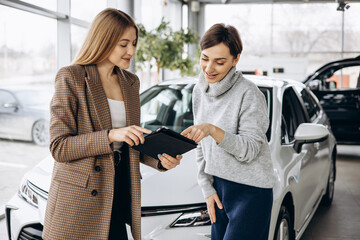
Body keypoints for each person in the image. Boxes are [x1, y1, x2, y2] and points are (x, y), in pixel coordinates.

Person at [43, 8, 182, 240]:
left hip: (118, 191)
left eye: (134, 43)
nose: (132, 51)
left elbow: (130, 141)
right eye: (124, 44)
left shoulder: (130, 82)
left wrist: (160, 160)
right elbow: (59, 147)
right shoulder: (71, 77)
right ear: (104, 40)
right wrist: (110, 135)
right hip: (78, 201)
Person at [181, 23, 275, 240]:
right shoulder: (199, 90)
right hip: (219, 187)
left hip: (250, 191)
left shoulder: (249, 94)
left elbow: (250, 149)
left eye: (219, 62)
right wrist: (207, 187)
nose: (209, 68)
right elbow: (201, 146)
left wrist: (213, 130)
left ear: (236, 59)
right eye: (205, 58)